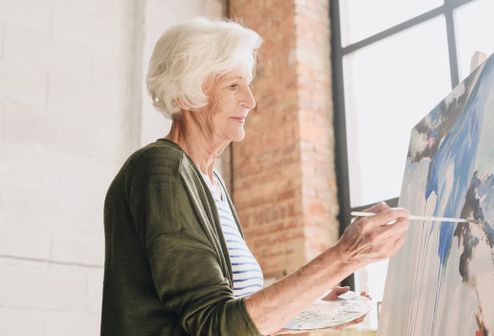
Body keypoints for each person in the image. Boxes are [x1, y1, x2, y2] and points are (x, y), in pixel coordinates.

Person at [101, 17, 410, 336]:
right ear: (186, 92)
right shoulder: (161, 168)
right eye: (233, 85)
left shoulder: (210, 180)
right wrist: (345, 256)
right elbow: (214, 327)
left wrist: (303, 306)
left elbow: (231, 318)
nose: (250, 100)